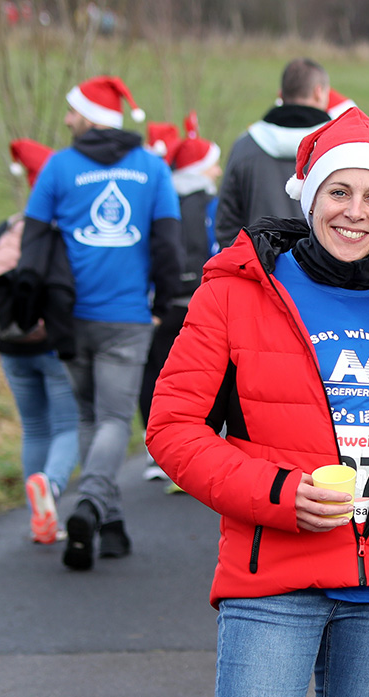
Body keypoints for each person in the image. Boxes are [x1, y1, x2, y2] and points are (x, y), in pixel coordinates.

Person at [146, 109, 369, 697]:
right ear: (308, 195)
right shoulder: (238, 290)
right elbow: (172, 428)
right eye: (340, 192)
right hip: (275, 574)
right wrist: (277, 492)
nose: (356, 213)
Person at [21, 75, 183, 571]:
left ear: (91, 116)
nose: (67, 120)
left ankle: (107, 525)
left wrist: (34, 313)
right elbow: (167, 245)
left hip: (69, 318)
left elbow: (32, 248)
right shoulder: (153, 170)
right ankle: (94, 508)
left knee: (92, 419)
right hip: (129, 317)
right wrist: (164, 299)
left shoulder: (57, 168)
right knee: (114, 420)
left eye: (73, 111)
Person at [0, 139, 79, 545]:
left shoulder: (6, 228)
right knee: (68, 424)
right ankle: (51, 487)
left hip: (9, 346)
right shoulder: (61, 232)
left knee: (34, 427)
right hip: (51, 347)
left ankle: (40, 520)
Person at [139, 112, 223, 487]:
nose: (218, 171)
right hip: (204, 301)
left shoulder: (160, 201)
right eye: (213, 164)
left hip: (165, 302)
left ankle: (157, 453)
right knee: (206, 380)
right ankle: (197, 451)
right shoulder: (213, 205)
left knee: (159, 377)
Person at [213, 57, 333, 247]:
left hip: (257, 270)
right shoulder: (339, 148)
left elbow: (226, 223)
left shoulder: (245, 146)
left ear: (280, 95)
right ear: (319, 92)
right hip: (325, 273)